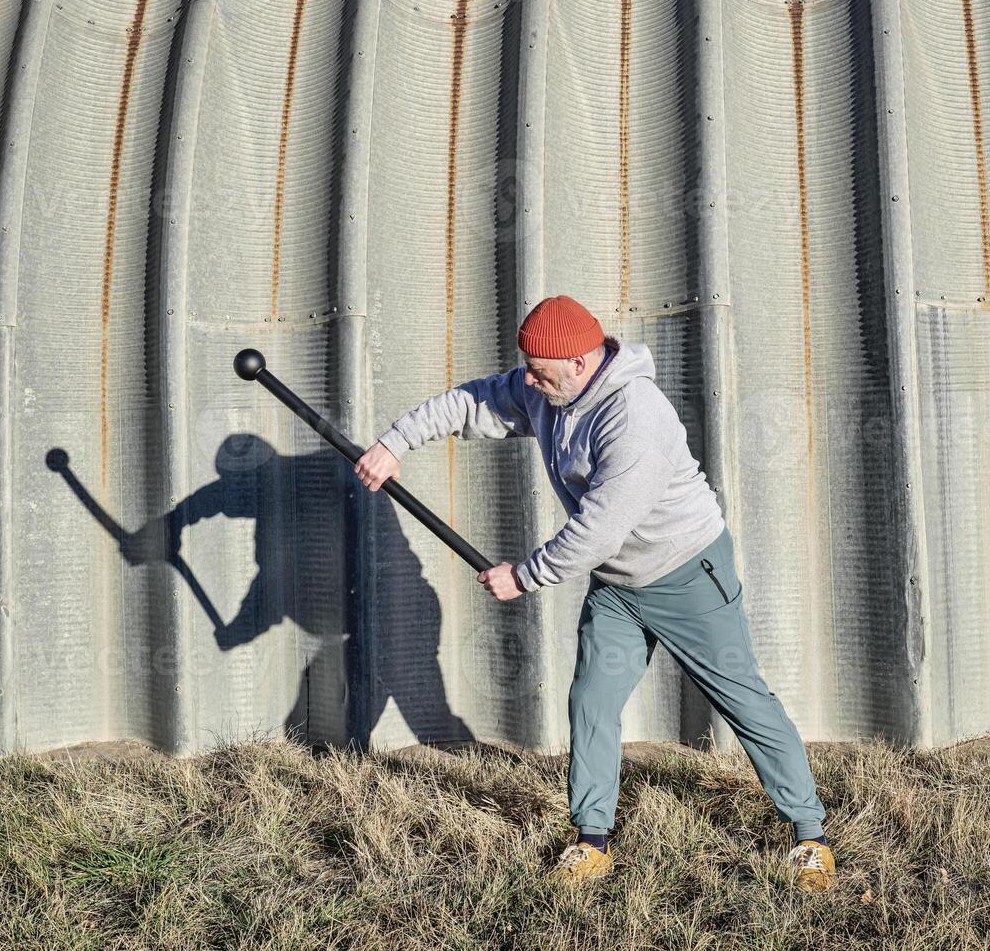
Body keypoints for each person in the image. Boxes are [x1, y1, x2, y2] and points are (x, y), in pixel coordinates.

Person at [352, 294, 835, 892]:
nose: (527, 381)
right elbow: (473, 400)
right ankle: (592, 840)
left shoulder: (635, 417)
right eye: (526, 368)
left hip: (688, 576)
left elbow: (600, 527)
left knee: (742, 701)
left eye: (538, 372)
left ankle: (809, 834)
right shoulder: (546, 386)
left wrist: (524, 576)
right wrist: (395, 442)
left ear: (579, 365)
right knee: (591, 702)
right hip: (618, 587)